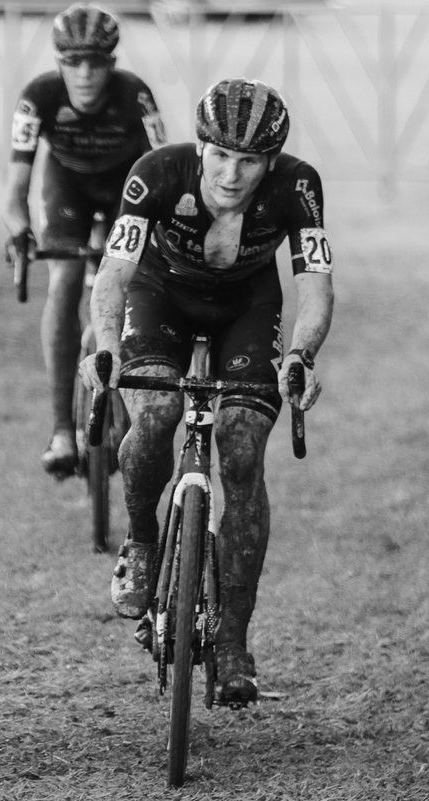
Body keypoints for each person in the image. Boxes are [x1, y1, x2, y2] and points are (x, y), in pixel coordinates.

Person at [79, 78, 334, 705]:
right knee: (158, 410)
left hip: (248, 306)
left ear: (269, 162)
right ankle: (141, 542)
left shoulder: (298, 186)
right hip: (159, 297)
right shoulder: (156, 173)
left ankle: (233, 645)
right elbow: (115, 273)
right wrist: (107, 344)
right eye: (219, 155)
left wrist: (301, 353)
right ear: (201, 148)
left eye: (248, 161)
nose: (231, 173)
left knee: (242, 448)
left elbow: (317, 285)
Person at [3, 2, 167, 478]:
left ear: (111, 64)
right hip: (67, 188)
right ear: (59, 65)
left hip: (127, 188)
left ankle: (127, 409)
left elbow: (165, 169)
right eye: (73, 62)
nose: (85, 74)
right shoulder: (39, 96)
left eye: (96, 62)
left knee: (131, 282)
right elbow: (16, 186)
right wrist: (18, 230)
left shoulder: (136, 95)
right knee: (65, 280)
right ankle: (60, 430)